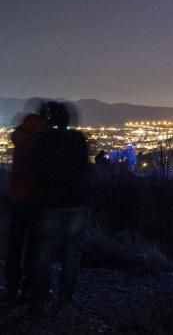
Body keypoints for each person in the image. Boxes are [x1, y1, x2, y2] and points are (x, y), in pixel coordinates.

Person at [29, 101, 89, 309]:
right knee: (71, 252)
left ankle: (39, 298)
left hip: (49, 203)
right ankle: (66, 297)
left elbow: (35, 170)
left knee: (43, 251)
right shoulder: (78, 139)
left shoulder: (42, 141)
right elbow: (84, 169)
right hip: (76, 202)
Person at [5, 102, 50, 302]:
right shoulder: (45, 140)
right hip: (38, 200)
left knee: (15, 244)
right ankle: (30, 286)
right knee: (35, 245)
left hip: (17, 198)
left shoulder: (20, 136)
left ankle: (12, 287)